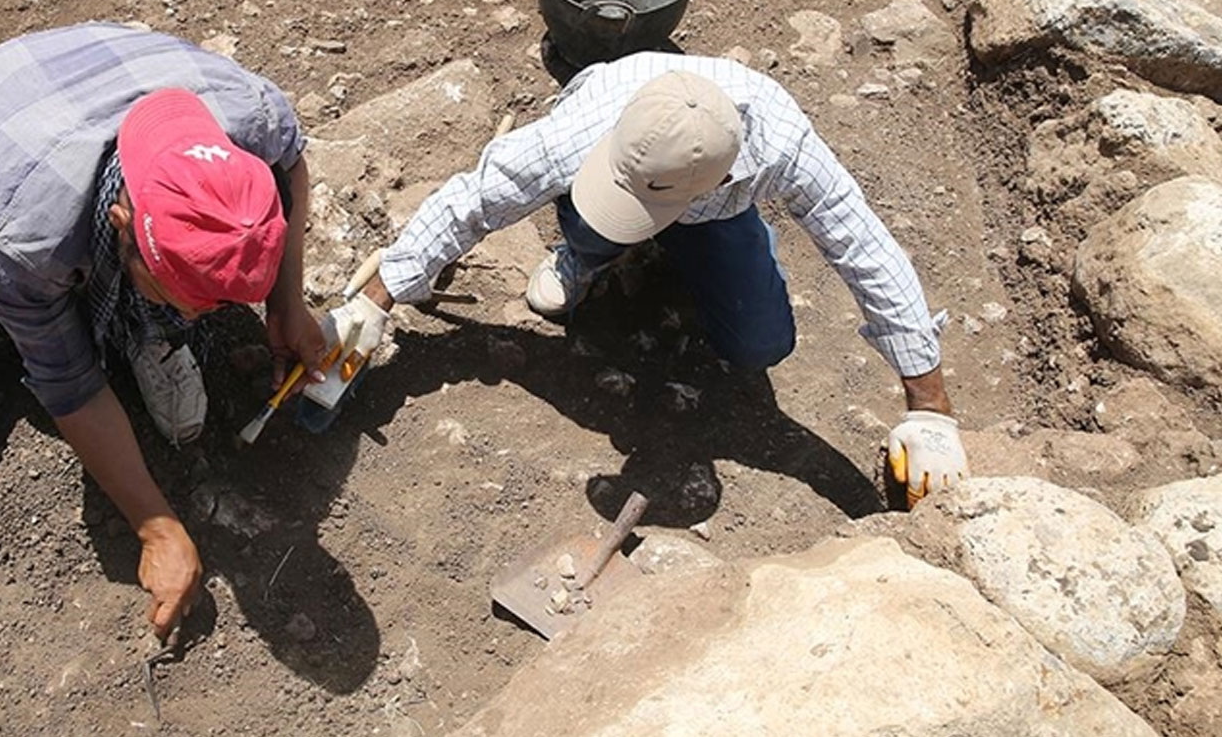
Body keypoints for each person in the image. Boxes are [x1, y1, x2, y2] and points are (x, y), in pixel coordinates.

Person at [0, 23, 327, 639]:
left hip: (113, 68)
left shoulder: (253, 119)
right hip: (7, 110)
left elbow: (292, 163)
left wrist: (286, 301)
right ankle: (23, 283)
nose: (202, 318)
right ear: (121, 222)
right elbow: (67, 380)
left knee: (156, 286)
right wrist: (156, 524)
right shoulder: (25, 226)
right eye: (180, 300)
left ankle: (113, 302)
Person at [327, 53, 968, 507]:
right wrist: (377, 301)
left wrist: (929, 407)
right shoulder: (588, 125)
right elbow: (476, 199)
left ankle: (702, 247)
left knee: (759, 346)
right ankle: (589, 251)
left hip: (719, 210)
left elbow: (864, 246)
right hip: (638, 175)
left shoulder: (780, 143)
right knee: (596, 222)